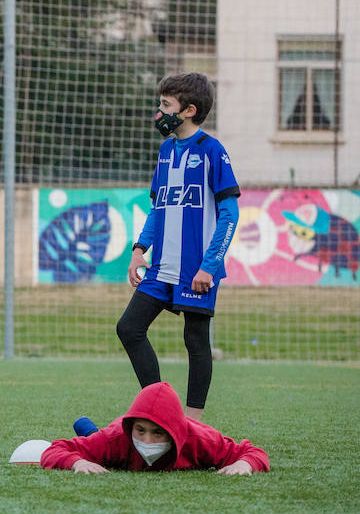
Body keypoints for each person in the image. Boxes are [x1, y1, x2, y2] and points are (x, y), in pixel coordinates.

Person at [121, 72, 239, 421]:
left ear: (188, 110)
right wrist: (139, 249)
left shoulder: (212, 151)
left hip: (196, 269)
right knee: (129, 328)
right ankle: (159, 411)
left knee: (196, 340)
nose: (159, 112)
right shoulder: (166, 150)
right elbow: (159, 206)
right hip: (162, 266)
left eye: (165, 105)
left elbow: (229, 215)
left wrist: (210, 266)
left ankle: (193, 422)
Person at [41, 382, 268, 474]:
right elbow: (55, 450)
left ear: (174, 432)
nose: (147, 441)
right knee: (97, 442)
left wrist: (244, 464)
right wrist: (78, 462)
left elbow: (253, 452)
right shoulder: (117, 437)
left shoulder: (200, 439)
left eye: (157, 432)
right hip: (111, 438)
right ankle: (91, 432)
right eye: (140, 430)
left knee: (98, 441)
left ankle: (91, 431)